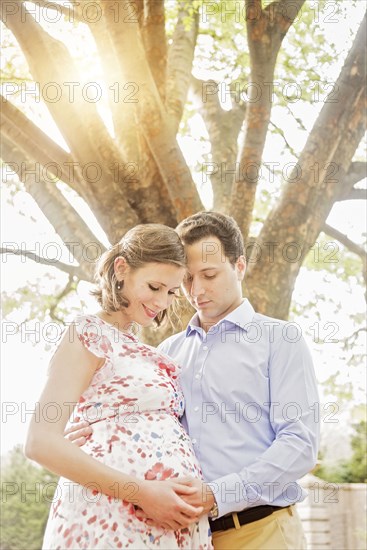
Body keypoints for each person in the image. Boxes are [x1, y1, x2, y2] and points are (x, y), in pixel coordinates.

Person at [68, 212, 320, 550]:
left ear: (240, 266)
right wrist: (91, 433)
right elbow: (147, 429)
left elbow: (300, 445)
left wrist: (218, 495)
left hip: (260, 531)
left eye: (210, 274)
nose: (197, 290)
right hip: (182, 536)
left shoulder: (280, 339)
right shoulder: (166, 352)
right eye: (187, 279)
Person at [25, 224, 213, 550]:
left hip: (161, 528)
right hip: (111, 519)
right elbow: (40, 442)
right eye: (154, 286)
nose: (161, 302)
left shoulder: (138, 346)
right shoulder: (87, 334)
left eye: (170, 292)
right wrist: (142, 493)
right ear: (122, 268)